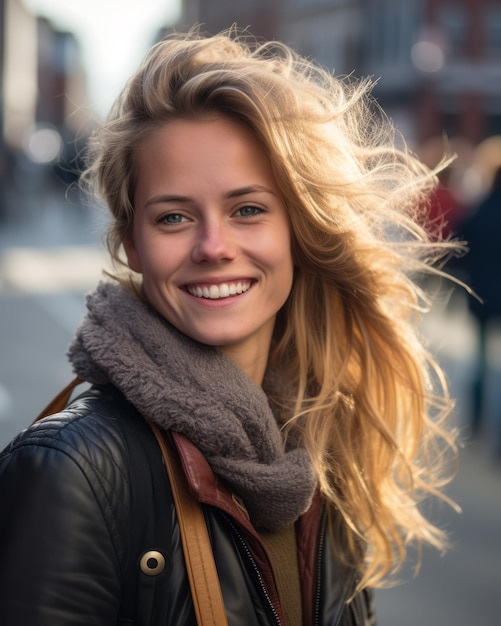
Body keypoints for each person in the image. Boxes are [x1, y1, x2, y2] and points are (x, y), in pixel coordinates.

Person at [0, 28, 459, 625]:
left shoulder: (321, 446)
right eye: (173, 217)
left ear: (296, 229)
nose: (214, 246)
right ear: (132, 245)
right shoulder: (71, 473)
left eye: (248, 209)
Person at [456, 164, 501, 449]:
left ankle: (475, 422)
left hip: (482, 297)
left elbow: (460, 246)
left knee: (482, 364)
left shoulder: (480, 210)